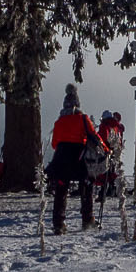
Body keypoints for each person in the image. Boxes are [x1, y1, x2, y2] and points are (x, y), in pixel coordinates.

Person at [46, 96, 105, 233]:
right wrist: (106, 150)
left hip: (61, 159)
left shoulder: (59, 122)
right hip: (79, 159)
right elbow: (94, 136)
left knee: (61, 190)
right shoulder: (83, 119)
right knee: (86, 186)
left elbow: (55, 143)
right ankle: (87, 220)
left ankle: (58, 224)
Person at [97, 110, 125, 199]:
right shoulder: (116, 126)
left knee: (104, 171)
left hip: (105, 151)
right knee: (112, 170)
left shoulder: (104, 125)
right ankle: (112, 188)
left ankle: (103, 191)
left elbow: (102, 138)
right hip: (115, 151)